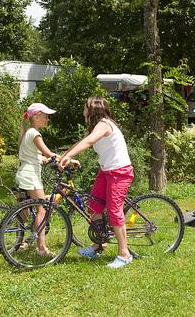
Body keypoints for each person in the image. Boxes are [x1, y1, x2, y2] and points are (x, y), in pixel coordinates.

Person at [59, 96, 135, 269]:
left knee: (114, 211)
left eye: (85, 107)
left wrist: (69, 156)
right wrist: (65, 156)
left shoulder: (104, 124)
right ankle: (99, 244)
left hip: (119, 172)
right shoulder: (97, 126)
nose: (83, 110)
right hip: (106, 171)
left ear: (92, 109)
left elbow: (89, 141)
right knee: (94, 206)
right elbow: (83, 142)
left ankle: (124, 254)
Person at [16, 102, 59, 257]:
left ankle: (18, 241)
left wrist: (47, 160)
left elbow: (35, 156)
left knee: (24, 211)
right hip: (30, 176)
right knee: (43, 208)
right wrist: (67, 159)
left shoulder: (29, 132)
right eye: (46, 116)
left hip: (24, 173)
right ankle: (41, 247)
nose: (48, 119)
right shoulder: (35, 133)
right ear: (36, 116)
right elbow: (48, 153)